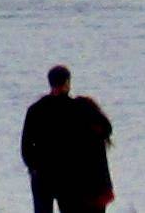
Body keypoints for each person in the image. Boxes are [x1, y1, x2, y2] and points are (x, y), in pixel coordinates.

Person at [19, 64, 112, 213]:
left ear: (50, 83)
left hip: (42, 175)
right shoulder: (78, 108)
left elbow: (26, 148)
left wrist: (35, 168)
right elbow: (105, 130)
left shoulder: (36, 109)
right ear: (68, 83)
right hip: (69, 177)